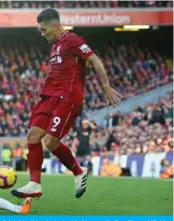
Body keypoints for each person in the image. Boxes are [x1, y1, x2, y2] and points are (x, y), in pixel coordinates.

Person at [11, 8, 122, 199]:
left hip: (67, 97)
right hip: (48, 96)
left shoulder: (73, 40)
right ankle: (34, 184)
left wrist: (106, 87)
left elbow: (95, 60)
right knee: (32, 136)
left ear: (55, 26)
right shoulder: (55, 46)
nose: (42, 34)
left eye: (44, 30)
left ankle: (79, 173)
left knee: (51, 141)